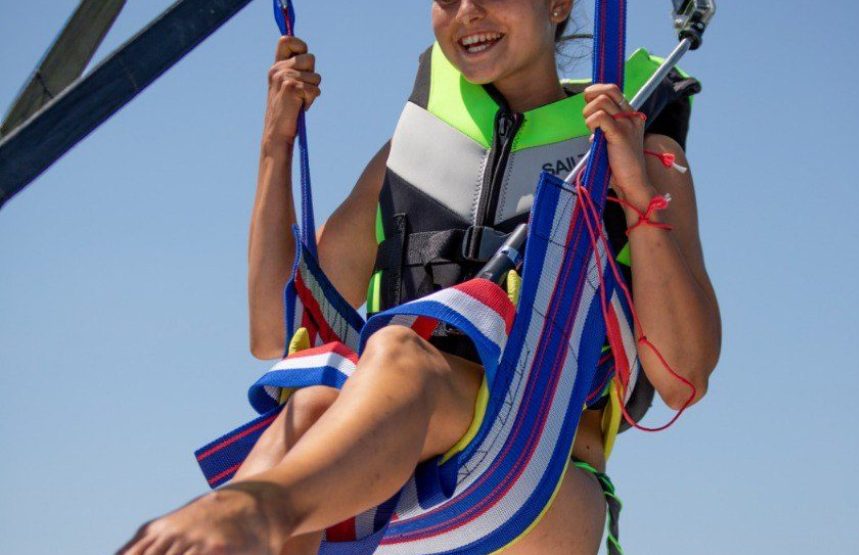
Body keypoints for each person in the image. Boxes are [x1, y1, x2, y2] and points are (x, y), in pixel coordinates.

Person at [119, 1, 720, 553]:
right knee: (310, 405)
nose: (468, 12)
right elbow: (277, 335)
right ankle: (245, 518)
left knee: (398, 356)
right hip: (404, 498)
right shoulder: (411, 154)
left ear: (558, 4)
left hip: (536, 481)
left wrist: (636, 191)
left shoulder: (636, 145)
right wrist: (277, 144)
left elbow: (682, 378)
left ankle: (256, 508)